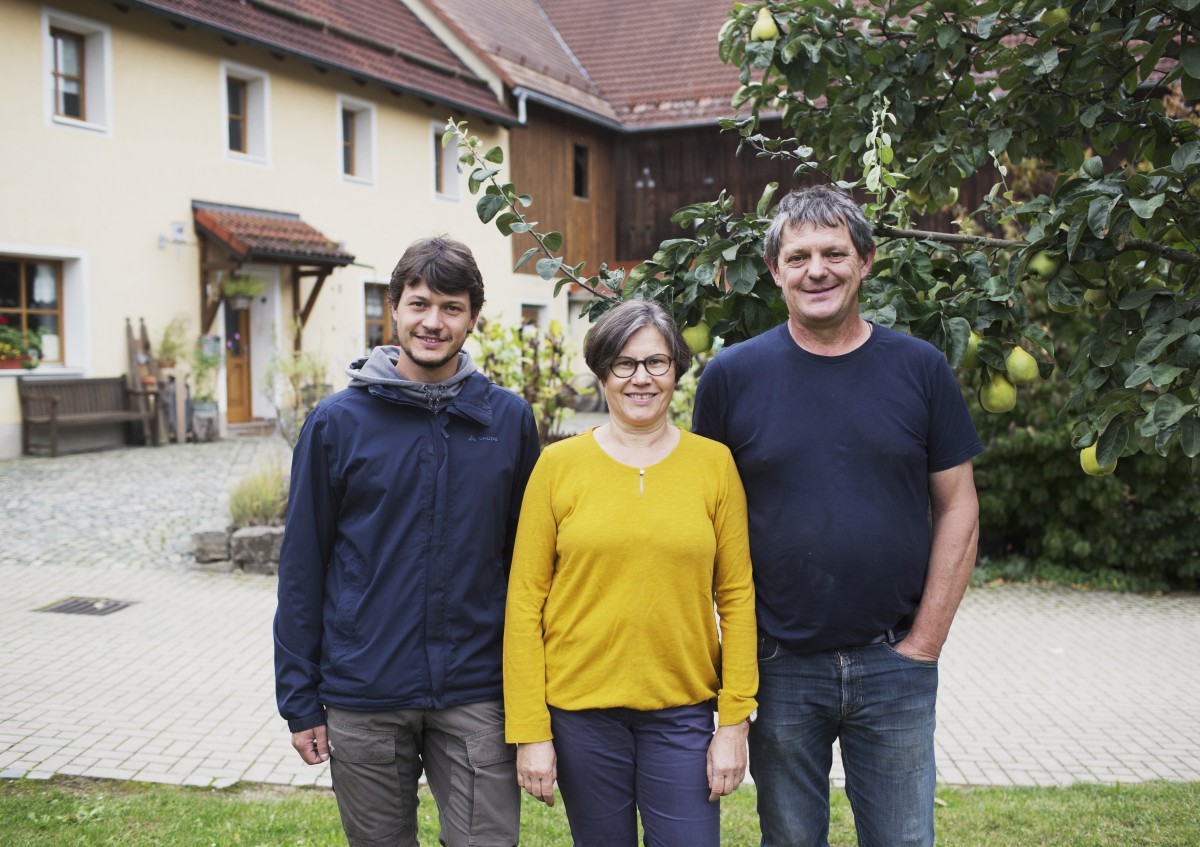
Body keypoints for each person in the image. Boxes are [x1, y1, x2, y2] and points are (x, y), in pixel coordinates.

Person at [692, 185, 984, 847]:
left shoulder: (921, 369)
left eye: (834, 252)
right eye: (797, 257)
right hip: (779, 663)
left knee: (904, 839)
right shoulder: (731, 377)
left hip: (895, 661)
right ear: (774, 270)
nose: (816, 269)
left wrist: (925, 643)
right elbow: (703, 518)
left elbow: (959, 502)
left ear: (866, 261)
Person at [274, 236, 540, 847]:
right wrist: (301, 700)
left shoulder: (507, 421)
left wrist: (531, 697)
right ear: (394, 307)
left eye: (451, 307)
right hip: (364, 690)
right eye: (419, 304)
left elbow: (527, 567)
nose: (433, 322)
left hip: (476, 690)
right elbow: (303, 567)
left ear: (474, 316)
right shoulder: (338, 423)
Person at [503, 299, 758, 847]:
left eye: (657, 363)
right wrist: (530, 731)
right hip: (580, 717)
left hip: (682, 713)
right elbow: (524, 602)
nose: (641, 378)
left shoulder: (713, 465)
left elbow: (737, 598)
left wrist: (734, 722)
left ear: (676, 371)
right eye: (625, 363)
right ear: (602, 373)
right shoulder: (557, 466)